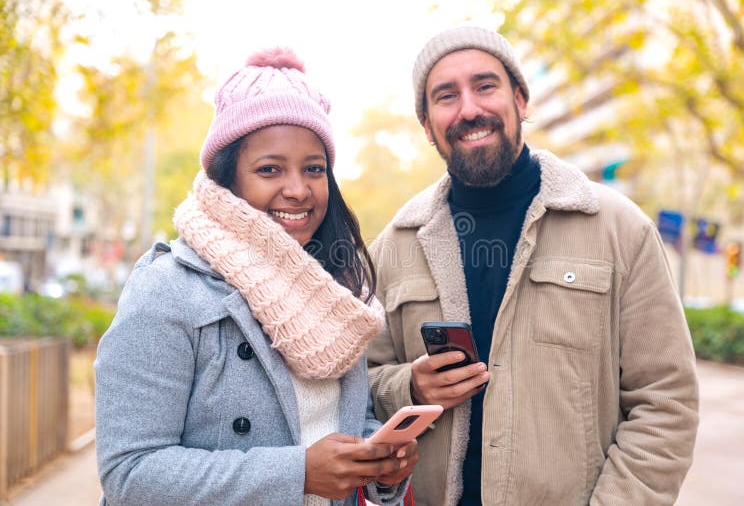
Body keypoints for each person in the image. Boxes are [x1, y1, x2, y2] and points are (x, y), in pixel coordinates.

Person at [367, 25, 699, 505]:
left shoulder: (620, 229)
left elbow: (666, 402)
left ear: (520, 100)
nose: (469, 108)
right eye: (446, 96)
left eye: (485, 86)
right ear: (427, 125)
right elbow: (359, 389)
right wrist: (409, 385)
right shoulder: (392, 248)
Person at [95, 47, 417, 506]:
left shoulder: (335, 292)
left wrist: (380, 466)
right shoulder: (166, 289)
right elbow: (130, 473)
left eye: (314, 169)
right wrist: (297, 473)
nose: (298, 189)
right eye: (270, 169)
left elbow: (345, 424)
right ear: (228, 178)